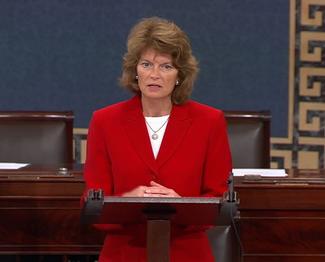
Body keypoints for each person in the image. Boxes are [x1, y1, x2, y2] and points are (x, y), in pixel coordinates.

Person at [83, 16, 232, 262]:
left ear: (179, 76)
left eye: (166, 66)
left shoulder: (209, 121)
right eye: (146, 64)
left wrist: (182, 205)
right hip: (124, 252)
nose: (155, 74)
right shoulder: (104, 121)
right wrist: (125, 202)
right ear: (135, 71)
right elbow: (90, 202)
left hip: (186, 252)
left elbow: (219, 200)